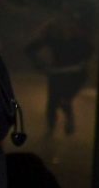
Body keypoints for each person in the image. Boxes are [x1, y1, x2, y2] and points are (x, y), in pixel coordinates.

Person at [24, 8, 92, 137]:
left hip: (74, 75)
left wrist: (82, 63)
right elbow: (30, 49)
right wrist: (39, 64)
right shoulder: (55, 38)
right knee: (53, 102)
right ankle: (51, 128)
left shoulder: (79, 39)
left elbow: (88, 51)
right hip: (58, 74)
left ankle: (66, 122)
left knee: (64, 99)